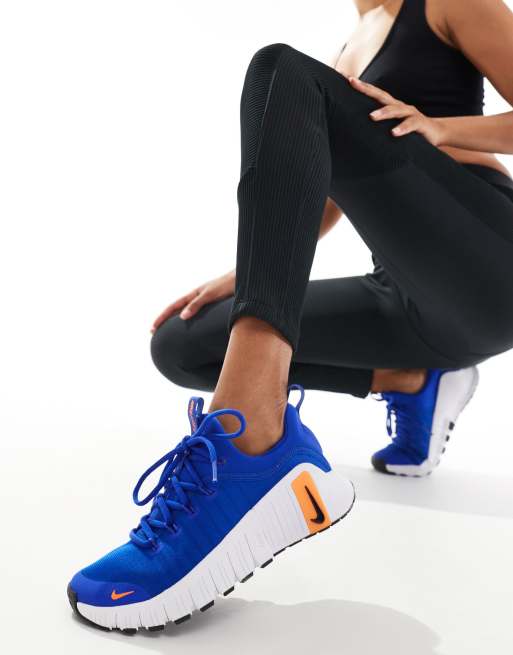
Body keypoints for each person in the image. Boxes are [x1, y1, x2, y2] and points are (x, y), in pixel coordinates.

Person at [68, 0, 513, 633]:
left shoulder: (450, 4)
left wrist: (442, 130)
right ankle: (411, 378)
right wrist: (249, 275)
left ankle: (252, 441)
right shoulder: (351, 42)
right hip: (410, 304)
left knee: (281, 71)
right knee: (183, 343)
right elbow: (330, 188)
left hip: (491, 267)